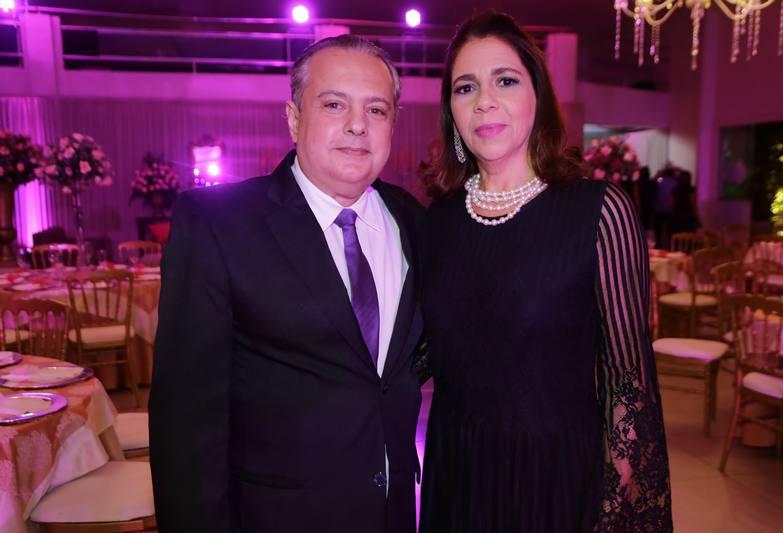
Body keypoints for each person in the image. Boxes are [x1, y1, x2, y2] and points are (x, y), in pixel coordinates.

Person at [150, 35, 424, 533]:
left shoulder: (414, 221)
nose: (357, 125)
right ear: (294, 119)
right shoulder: (218, 224)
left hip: (395, 513)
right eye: (334, 104)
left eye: (376, 109)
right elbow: (185, 423)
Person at [418, 11, 672, 532]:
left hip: (555, 476)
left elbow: (627, 378)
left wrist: (614, 495)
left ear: (537, 95)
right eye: (466, 87)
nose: (484, 100)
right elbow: (421, 351)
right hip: (457, 470)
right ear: (452, 112)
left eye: (505, 81)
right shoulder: (436, 221)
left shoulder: (598, 211)